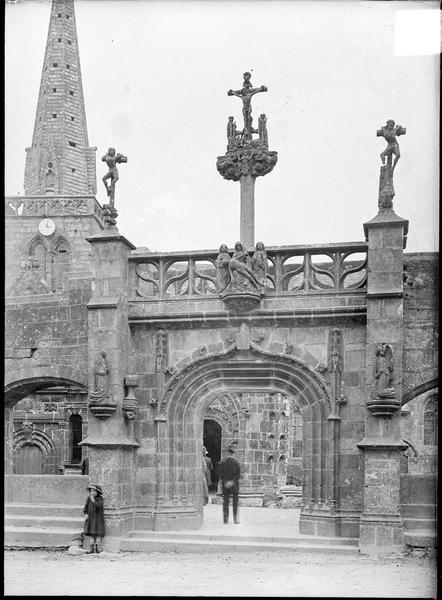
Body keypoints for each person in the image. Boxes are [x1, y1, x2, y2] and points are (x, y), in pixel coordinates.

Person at [218, 447, 241, 524]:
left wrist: (225, 482)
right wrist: (232, 482)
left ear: (227, 454)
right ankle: (236, 520)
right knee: (235, 502)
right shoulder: (236, 463)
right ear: (232, 454)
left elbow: (220, 474)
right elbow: (238, 475)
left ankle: (225, 520)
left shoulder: (222, 463)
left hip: (225, 485)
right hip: (234, 485)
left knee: (225, 502)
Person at [83, 483, 105, 554]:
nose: (92, 493)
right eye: (91, 491)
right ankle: (91, 548)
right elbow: (86, 507)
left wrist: (93, 500)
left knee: (98, 534)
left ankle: (98, 548)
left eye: (94, 491)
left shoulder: (100, 499)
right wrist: (86, 513)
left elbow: (98, 505)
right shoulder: (89, 499)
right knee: (91, 534)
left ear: (98, 492)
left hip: (98, 519)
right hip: (91, 519)